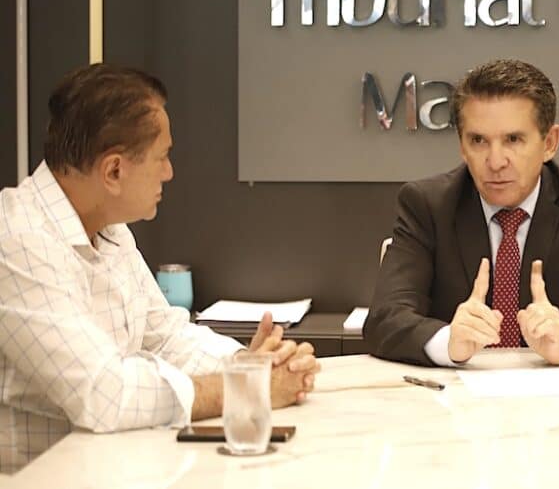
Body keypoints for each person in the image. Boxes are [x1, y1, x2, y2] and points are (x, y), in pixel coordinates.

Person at [0, 64, 321, 473]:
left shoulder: (109, 228)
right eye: (162, 157)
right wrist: (246, 389)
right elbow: (105, 395)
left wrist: (251, 364)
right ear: (114, 171)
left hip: (115, 467)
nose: (169, 172)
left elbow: (165, 336)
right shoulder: (18, 239)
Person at [365, 59, 559, 367]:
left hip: (558, 390)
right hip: (453, 388)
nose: (495, 162)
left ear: (549, 143)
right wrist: (448, 341)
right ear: (462, 147)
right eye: (478, 141)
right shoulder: (427, 205)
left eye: (513, 140)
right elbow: (385, 318)